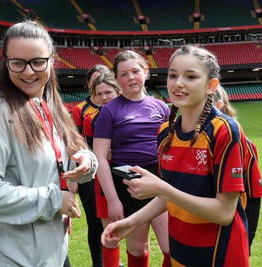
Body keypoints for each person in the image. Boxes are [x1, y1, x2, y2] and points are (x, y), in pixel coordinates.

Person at [0, 20, 99, 267]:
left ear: (52, 60)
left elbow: (72, 150)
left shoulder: (49, 106)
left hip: (52, 253)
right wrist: (54, 200)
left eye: (37, 61)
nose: (28, 71)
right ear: (5, 62)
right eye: (18, 63)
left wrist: (87, 161)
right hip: (12, 260)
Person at [101, 45, 250, 266]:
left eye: (190, 76)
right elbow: (170, 194)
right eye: (173, 75)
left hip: (219, 254)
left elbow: (224, 213)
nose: (178, 83)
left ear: (211, 86)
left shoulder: (224, 130)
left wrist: (161, 188)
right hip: (180, 249)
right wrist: (132, 222)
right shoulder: (165, 133)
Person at [93, 50, 170, 267]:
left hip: (159, 180)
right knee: (138, 248)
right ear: (117, 80)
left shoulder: (161, 107)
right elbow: (99, 156)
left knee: (170, 247)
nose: (131, 78)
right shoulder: (109, 111)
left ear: (145, 72)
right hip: (128, 181)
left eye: (135, 71)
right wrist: (113, 200)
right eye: (124, 74)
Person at [68, 73, 122, 267]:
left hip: (118, 169)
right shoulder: (80, 110)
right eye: (96, 84)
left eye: (108, 88)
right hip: (90, 170)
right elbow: (74, 142)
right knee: (96, 220)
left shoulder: (121, 108)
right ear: (90, 85)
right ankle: (100, 262)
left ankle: (116, 260)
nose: (102, 93)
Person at [214, 85, 262, 253]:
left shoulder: (238, 140)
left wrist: (247, 239)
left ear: (218, 105)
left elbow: (253, 193)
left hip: (233, 227)